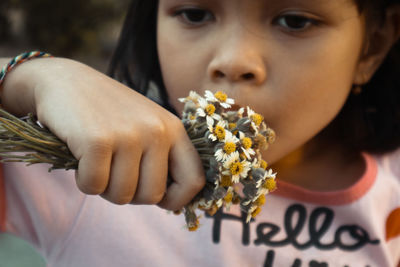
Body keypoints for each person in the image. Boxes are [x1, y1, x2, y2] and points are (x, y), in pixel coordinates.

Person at [0, 0, 400, 266]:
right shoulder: (89, 163)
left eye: (294, 21)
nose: (233, 61)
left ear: (373, 45)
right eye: (195, 14)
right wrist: (34, 76)